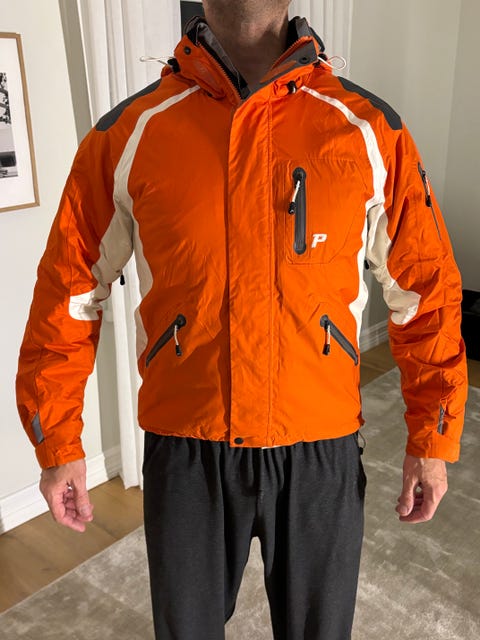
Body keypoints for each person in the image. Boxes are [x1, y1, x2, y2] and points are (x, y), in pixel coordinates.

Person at [16, 1, 467, 638]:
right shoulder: (129, 133)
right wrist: (58, 440)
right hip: (187, 450)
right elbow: (67, 293)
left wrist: (433, 436)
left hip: (320, 448)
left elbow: (425, 291)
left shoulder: (368, 127)